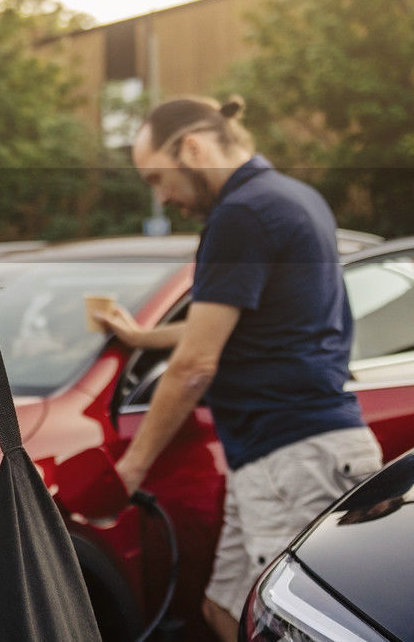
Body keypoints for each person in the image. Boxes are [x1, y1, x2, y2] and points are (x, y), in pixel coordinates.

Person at [96, 96, 383, 642]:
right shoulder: (292, 197)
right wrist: (142, 337)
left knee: (293, 628)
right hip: (289, 454)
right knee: (224, 612)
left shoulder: (241, 215)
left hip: (292, 458)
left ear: (192, 148)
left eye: (158, 178)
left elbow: (195, 365)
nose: (162, 196)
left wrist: (130, 471)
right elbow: (227, 323)